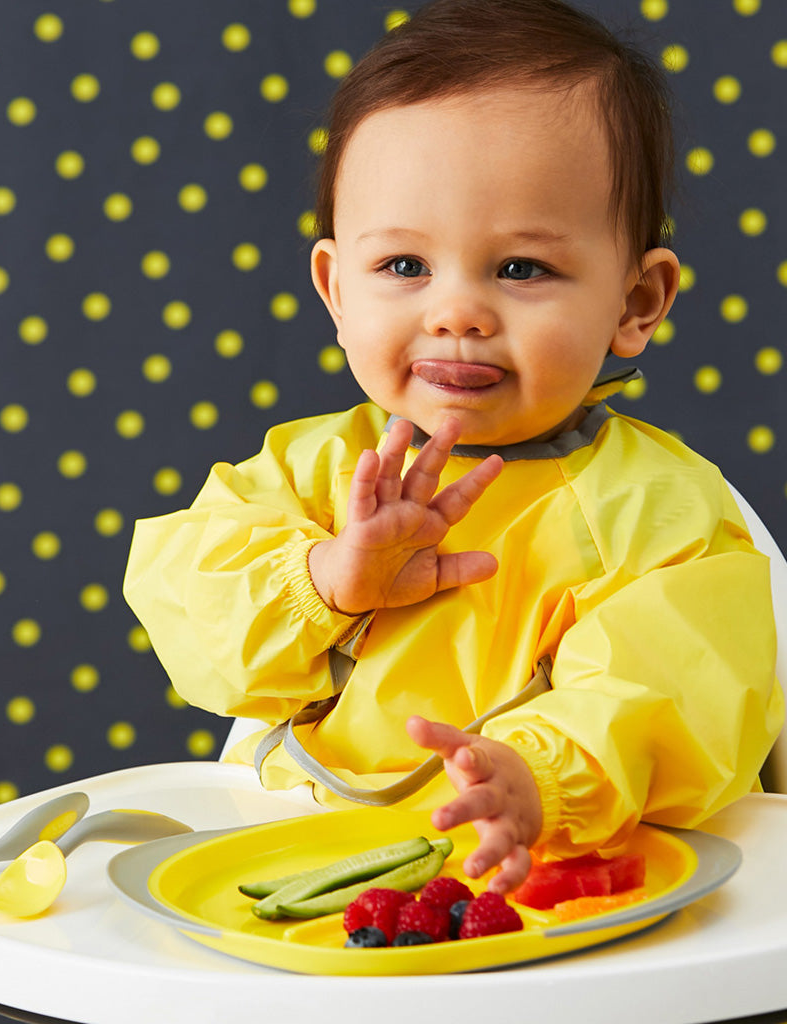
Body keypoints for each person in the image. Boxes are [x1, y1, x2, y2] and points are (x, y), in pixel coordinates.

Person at [124, 0, 783, 892]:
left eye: (521, 269)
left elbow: (674, 688)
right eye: (404, 267)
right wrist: (326, 580)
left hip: (554, 890)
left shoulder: (658, 512)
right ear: (336, 288)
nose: (457, 312)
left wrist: (538, 780)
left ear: (636, 304)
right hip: (295, 875)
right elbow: (185, 605)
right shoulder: (308, 475)